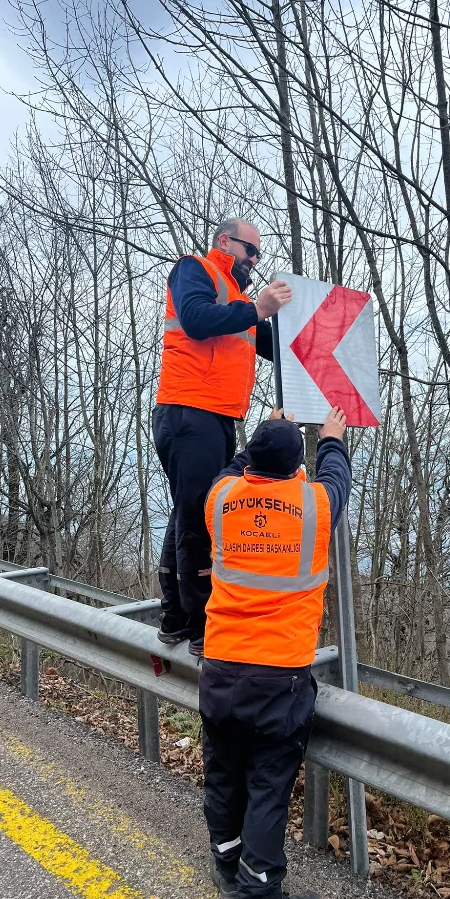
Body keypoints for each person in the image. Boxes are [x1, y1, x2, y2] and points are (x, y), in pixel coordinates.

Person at [200, 406, 351, 899]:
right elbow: (337, 478)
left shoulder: (221, 498)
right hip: (278, 676)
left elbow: (230, 469)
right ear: (296, 468)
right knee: (267, 786)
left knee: (223, 775)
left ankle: (228, 871)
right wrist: (331, 439)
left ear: (251, 463)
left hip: (220, 667)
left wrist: (263, 432)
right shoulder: (314, 506)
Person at [153, 219, 292, 653]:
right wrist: (257, 310)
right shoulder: (194, 269)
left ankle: (176, 616)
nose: (255, 260)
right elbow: (195, 319)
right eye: (250, 250)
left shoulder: (240, 303)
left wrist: (313, 335)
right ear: (224, 241)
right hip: (189, 409)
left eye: (258, 254)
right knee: (200, 518)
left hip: (215, 417)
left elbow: (279, 347)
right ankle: (201, 628)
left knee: (188, 512)